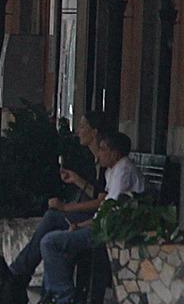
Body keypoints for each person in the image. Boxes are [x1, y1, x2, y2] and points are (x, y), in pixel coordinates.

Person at [38, 130, 145, 304]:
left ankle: (65, 298)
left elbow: (110, 210)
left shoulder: (123, 170)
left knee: (50, 242)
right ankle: (53, 296)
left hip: (111, 231)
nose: (99, 154)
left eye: (103, 150)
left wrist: (83, 225)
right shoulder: (112, 171)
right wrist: (80, 226)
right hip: (103, 226)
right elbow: (104, 209)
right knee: (54, 234)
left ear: (115, 153)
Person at [6, 111, 113, 286]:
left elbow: (101, 201)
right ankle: (21, 272)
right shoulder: (95, 160)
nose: (78, 131)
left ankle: (19, 273)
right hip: (94, 216)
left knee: (53, 219)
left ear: (94, 132)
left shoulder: (104, 162)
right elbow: (99, 193)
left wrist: (65, 208)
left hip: (96, 220)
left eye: (82, 126)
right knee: (52, 220)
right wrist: (77, 180)